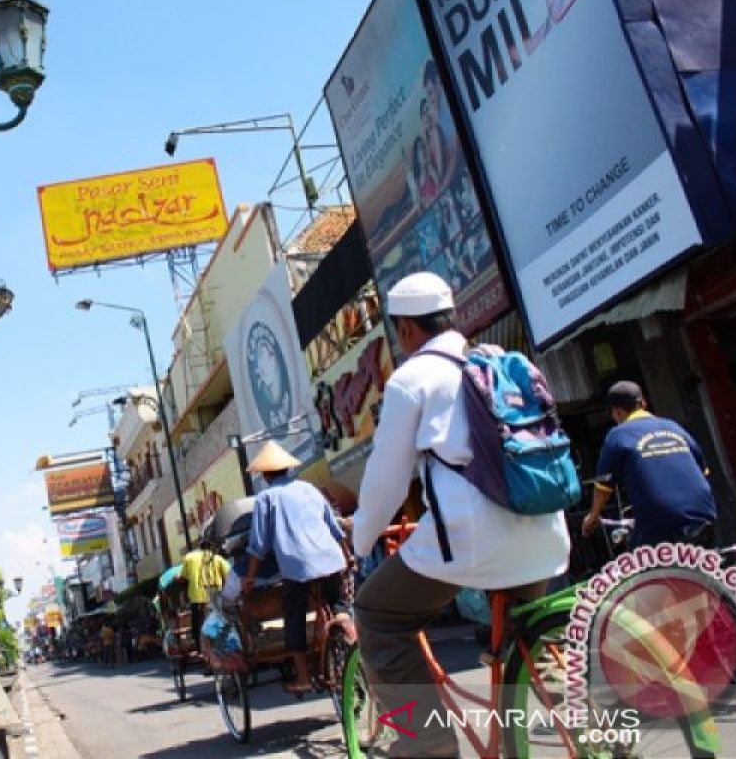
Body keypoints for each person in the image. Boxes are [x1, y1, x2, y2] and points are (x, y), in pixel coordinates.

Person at [352, 271, 570, 758]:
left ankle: (427, 745)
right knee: (521, 631)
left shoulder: (412, 380)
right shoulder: (496, 358)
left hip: (472, 542)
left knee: (378, 615)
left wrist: (360, 540)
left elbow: (386, 483)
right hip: (548, 535)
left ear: (405, 329)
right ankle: (584, 717)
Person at [241, 440, 351, 695]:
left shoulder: (266, 498)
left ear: (265, 474)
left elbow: (258, 545)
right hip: (331, 559)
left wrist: (250, 578)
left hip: (297, 567)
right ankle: (347, 632)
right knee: (338, 604)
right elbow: (334, 529)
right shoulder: (309, 489)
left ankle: (302, 676)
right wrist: (348, 556)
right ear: (287, 469)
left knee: (294, 617)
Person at [582, 380, 717, 547]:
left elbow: (603, 487)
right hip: (705, 516)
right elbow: (704, 472)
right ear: (644, 403)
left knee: (638, 563)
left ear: (616, 412)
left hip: (660, 523)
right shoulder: (674, 427)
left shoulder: (617, 435)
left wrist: (592, 517)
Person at [179, 540, 230, 650]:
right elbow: (228, 574)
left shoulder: (189, 558)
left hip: (197, 598)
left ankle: (200, 649)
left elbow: (182, 578)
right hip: (216, 597)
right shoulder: (217, 558)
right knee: (223, 621)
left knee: (198, 626)